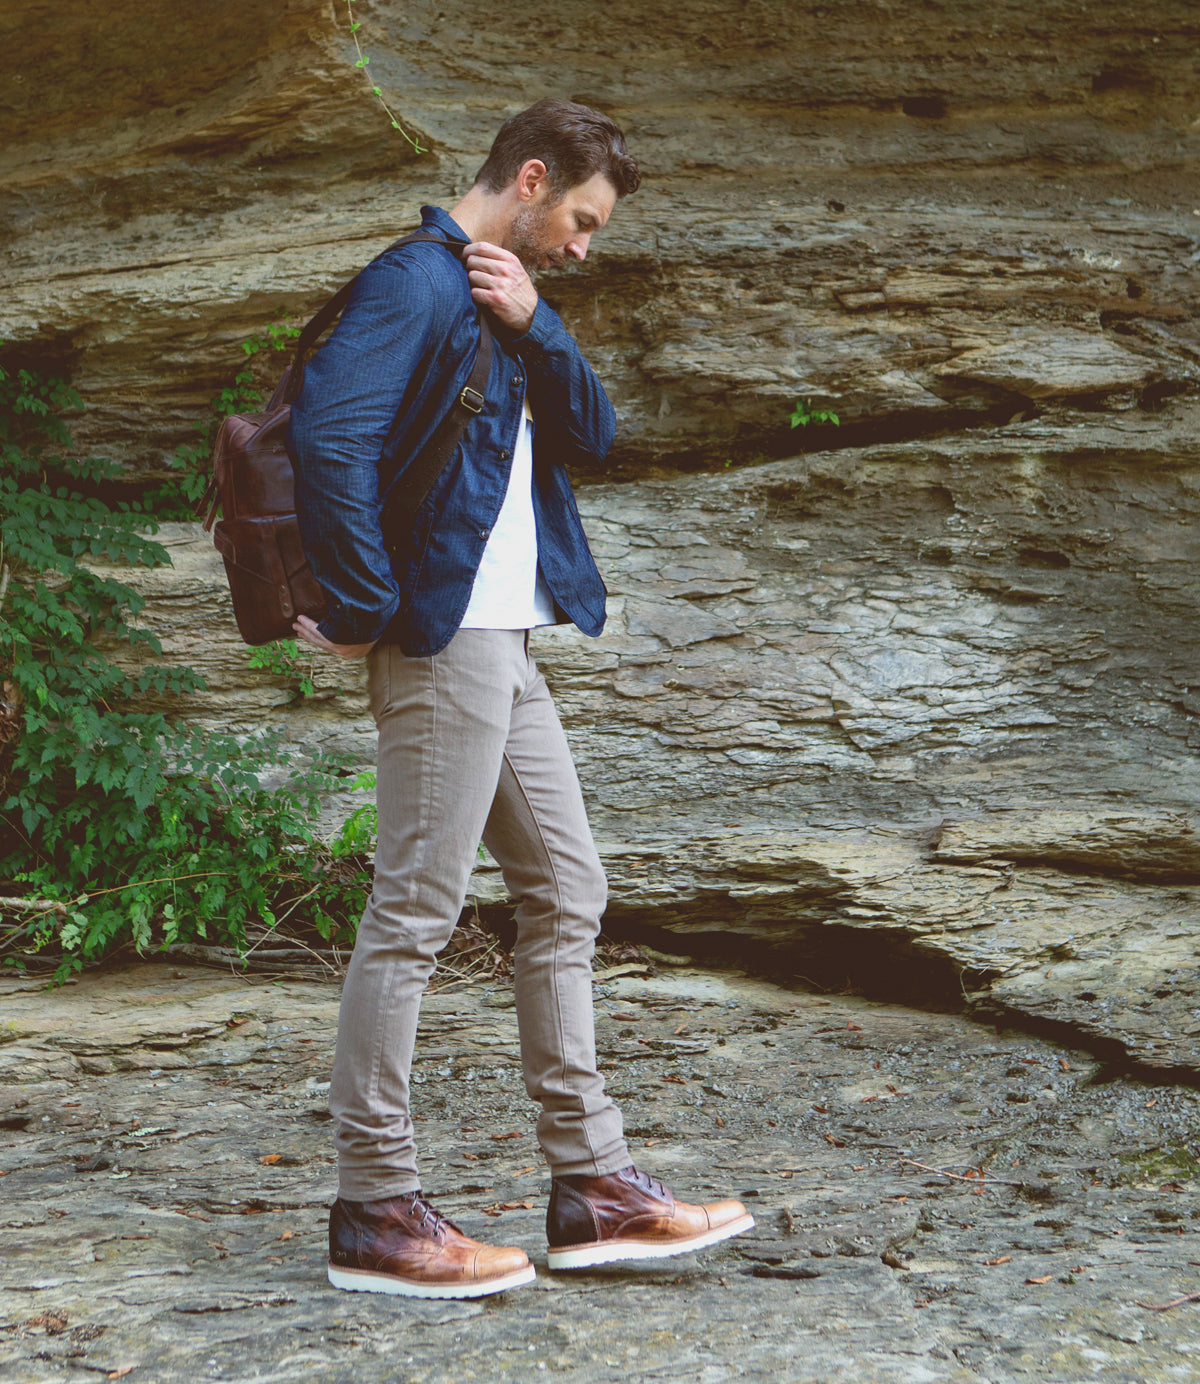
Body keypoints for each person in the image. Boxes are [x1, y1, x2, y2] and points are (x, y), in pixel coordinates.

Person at [287, 99, 753, 1300]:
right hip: (442, 641)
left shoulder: (504, 301)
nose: (584, 245)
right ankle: (375, 1206)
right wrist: (360, 607)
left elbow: (596, 434)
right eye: (582, 220)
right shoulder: (413, 285)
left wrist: (539, 322)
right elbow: (331, 443)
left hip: (508, 641)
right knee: (416, 911)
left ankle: (593, 1188)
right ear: (534, 179)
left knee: (568, 889)